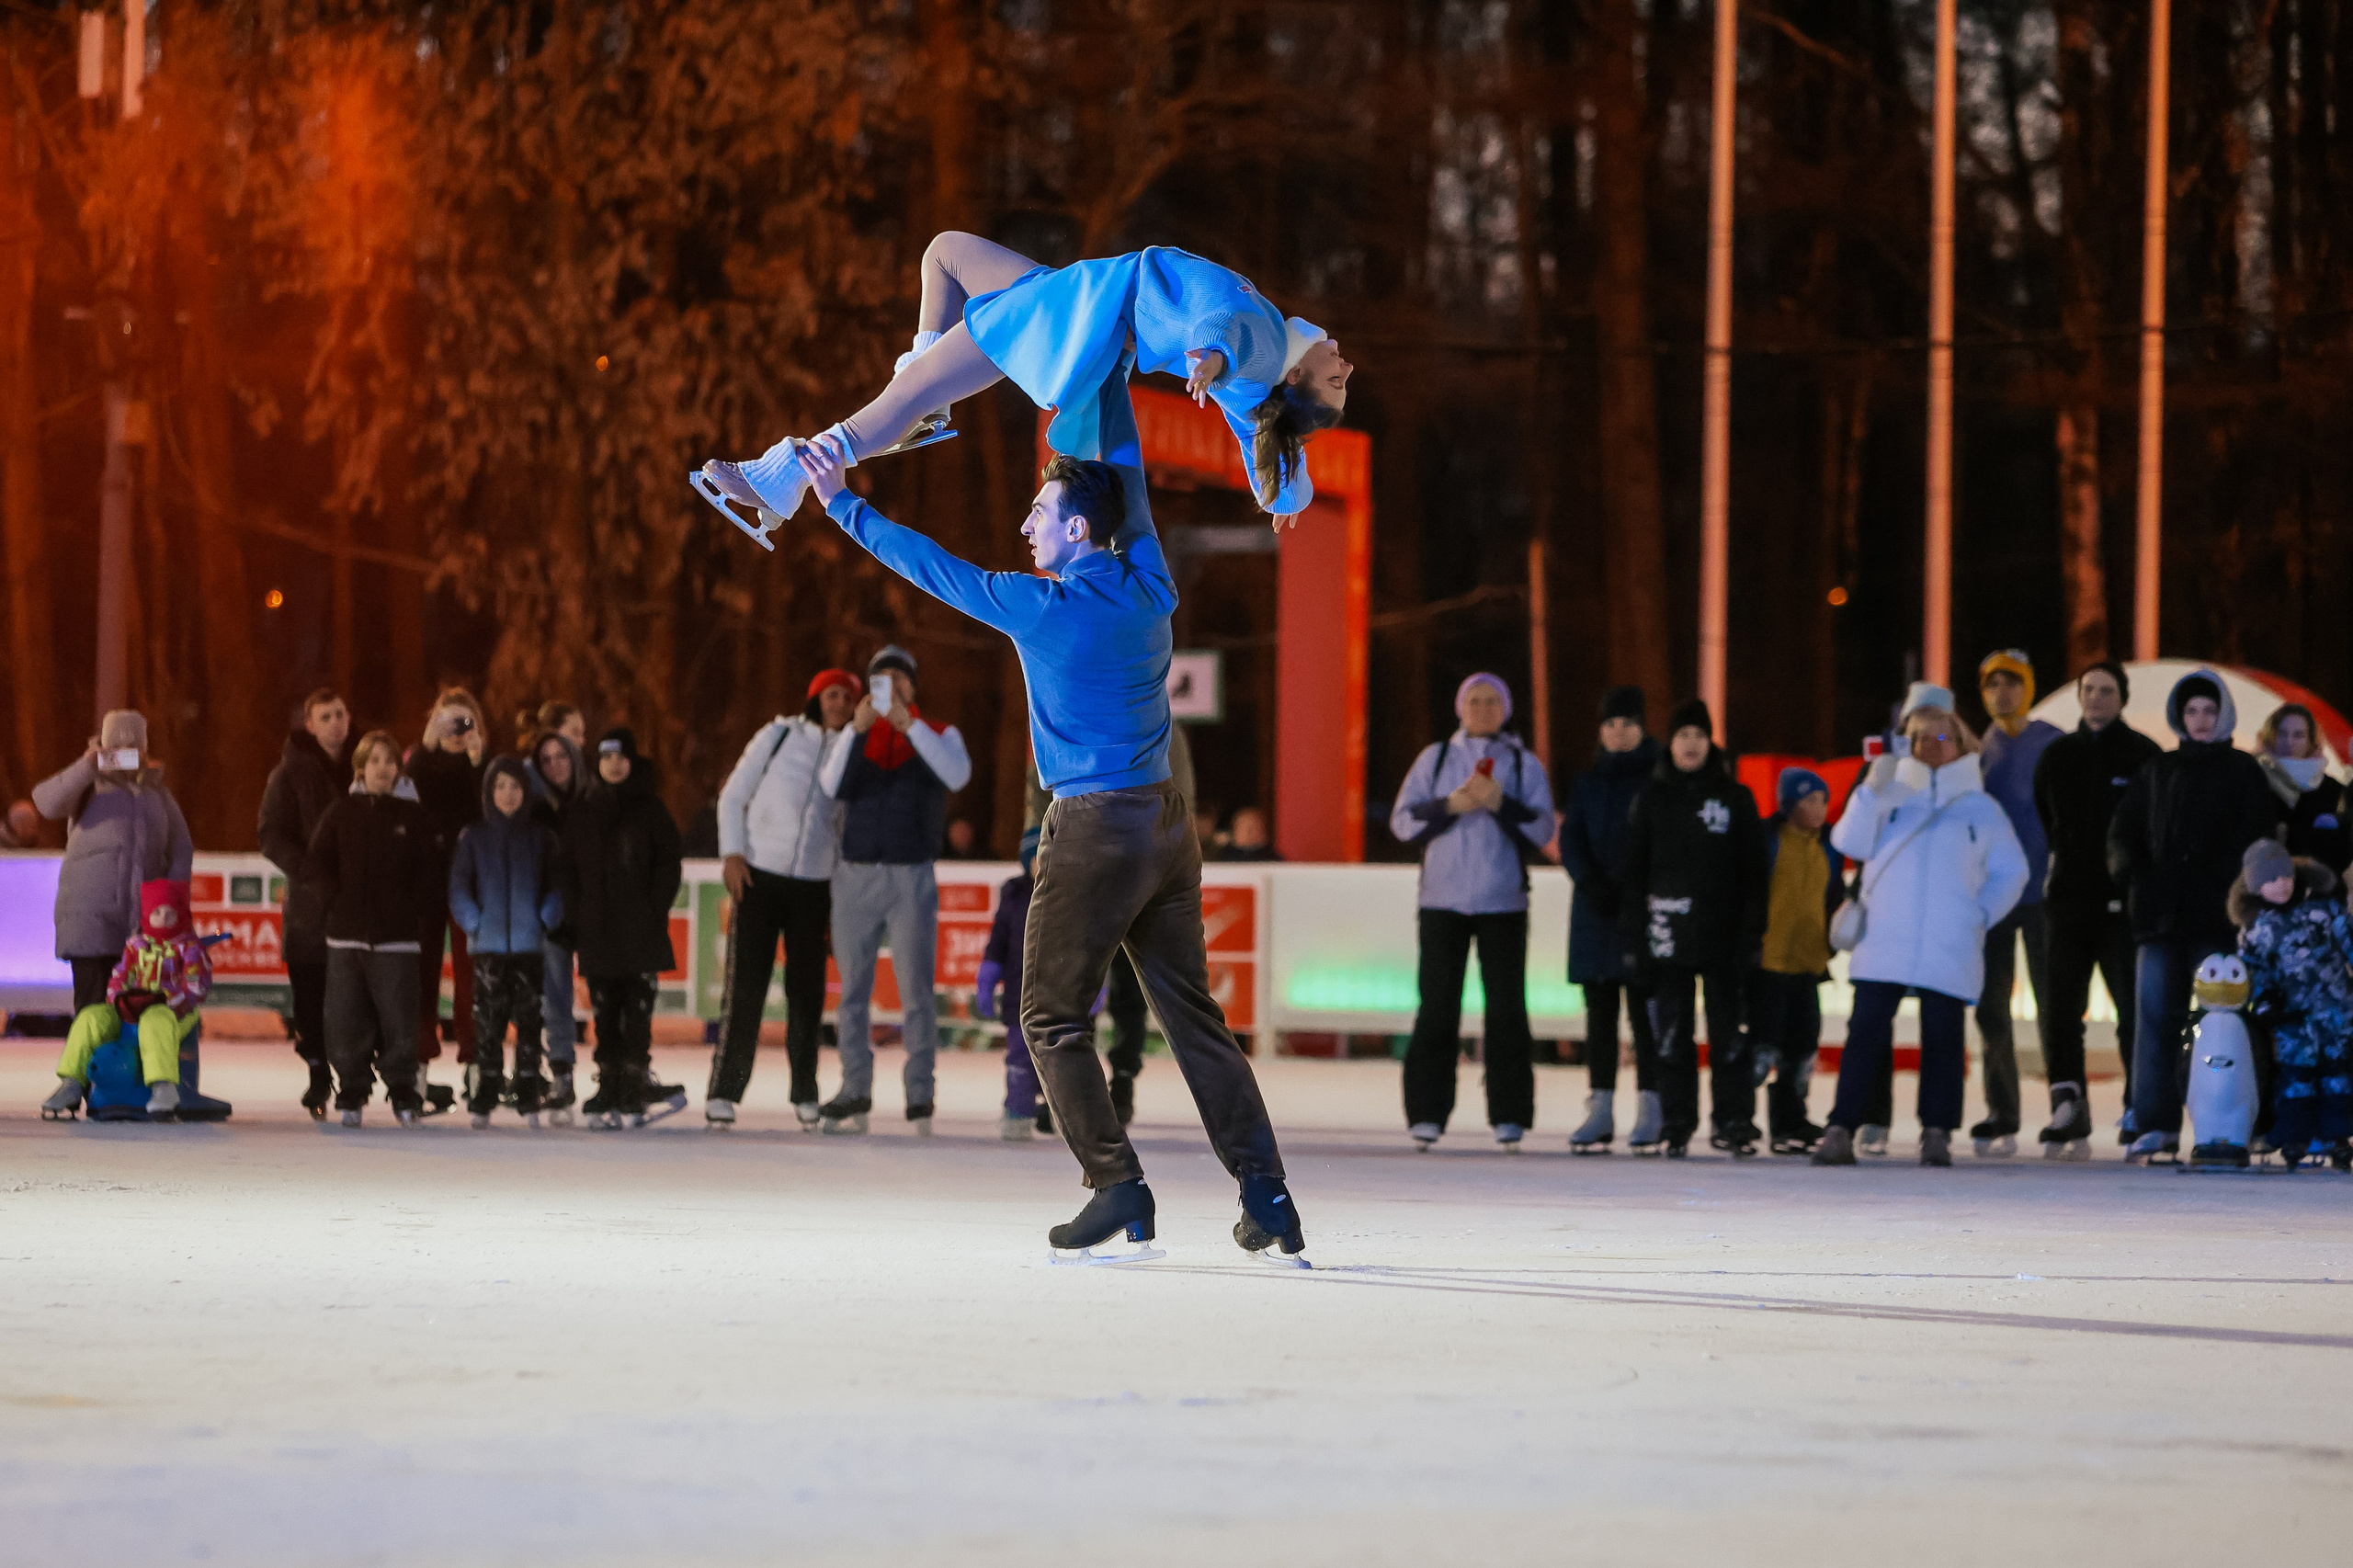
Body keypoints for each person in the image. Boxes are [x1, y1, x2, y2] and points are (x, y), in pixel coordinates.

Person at [798, 375, 1308, 1265]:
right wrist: (1102, 375)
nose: (1026, 524)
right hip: (1165, 824)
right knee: (1191, 1017)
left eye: (1041, 510)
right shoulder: (1150, 582)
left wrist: (841, 503)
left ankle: (1116, 1185)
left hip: (1093, 825)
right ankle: (1266, 1192)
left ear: (1076, 530)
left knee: (1047, 1015)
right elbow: (1129, 476)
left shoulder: (1044, 605)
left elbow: (931, 566)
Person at [702, 233, 1352, 534]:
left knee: (906, 394)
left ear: (1297, 375)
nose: (1345, 366)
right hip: (1079, 294)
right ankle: (924, 392)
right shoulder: (1261, 390)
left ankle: (783, 476)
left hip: (1082, 317)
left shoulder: (1264, 342)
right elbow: (1270, 457)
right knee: (943, 254)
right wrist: (1283, 498)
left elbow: (1224, 319)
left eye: (1335, 380)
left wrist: (1206, 355)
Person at [1814, 686, 2029, 1167]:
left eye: (1940, 736)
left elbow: (2012, 871)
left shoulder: (1980, 808)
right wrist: (1871, 791)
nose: (1929, 746)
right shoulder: (1887, 796)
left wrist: (1979, 914)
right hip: (1886, 936)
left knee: (1943, 1035)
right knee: (1866, 1030)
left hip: (1948, 942)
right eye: (1917, 737)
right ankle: (1842, 1125)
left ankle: (1936, 1131)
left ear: (1960, 743)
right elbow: (1849, 840)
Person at [2107, 669, 2282, 1162]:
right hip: (2159, 919)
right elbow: (2124, 831)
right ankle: (2155, 1121)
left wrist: (2237, 893)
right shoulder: (2157, 771)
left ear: (2222, 715)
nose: (2201, 720)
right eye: (2192, 711)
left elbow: (2258, 839)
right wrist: (2135, 875)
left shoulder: (2244, 772)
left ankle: (2231, 1120)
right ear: (2179, 717)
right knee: (2155, 1020)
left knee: (2224, 1022)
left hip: (2216, 921)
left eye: (2209, 711)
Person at [1388, 673, 1558, 1153]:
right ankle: (1426, 1113)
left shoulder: (1523, 764)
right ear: (1459, 707)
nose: (1482, 708)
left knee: (1506, 1010)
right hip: (1441, 901)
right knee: (1437, 1007)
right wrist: (1452, 804)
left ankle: (1510, 1115)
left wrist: (1500, 803)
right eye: (1474, 700)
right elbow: (1403, 822)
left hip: (1504, 902)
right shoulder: (1436, 758)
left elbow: (1544, 827)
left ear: (1505, 709)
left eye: (1491, 701)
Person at [813, 647, 972, 1135]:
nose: (891, 687)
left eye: (900, 679)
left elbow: (956, 775)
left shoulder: (938, 734)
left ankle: (919, 1094)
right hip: (856, 874)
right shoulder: (854, 738)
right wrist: (856, 732)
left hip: (910, 876)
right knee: (852, 994)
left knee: (916, 993)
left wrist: (910, 726)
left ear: (913, 687)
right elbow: (830, 784)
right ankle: (854, 1087)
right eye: (881, 680)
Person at [707, 669, 858, 1131]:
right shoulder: (778, 735)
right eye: (831, 694)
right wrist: (733, 852)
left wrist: (838, 885)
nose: (838, 703)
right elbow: (733, 796)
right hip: (759, 876)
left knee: (808, 993)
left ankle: (806, 1091)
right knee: (745, 988)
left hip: (814, 886)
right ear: (814, 697)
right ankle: (725, 1091)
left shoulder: (850, 750)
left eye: (847, 698)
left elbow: (844, 825)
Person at [1619, 699, 1765, 1157]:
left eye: (1699, 735)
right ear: (1671, 742)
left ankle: (1734, 1120)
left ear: (1710, 742)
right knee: (1671, 1037)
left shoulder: (1735, 799)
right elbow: (1634, 874)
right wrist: (1636, 942)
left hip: (1724, 940)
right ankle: (1677, 1121)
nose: (1691, 744)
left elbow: (1755, 874)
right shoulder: (1652, 799)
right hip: (1667, 937)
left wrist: (1750, 937)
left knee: (1729, 1037)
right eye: (1683, 735)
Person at [2031, 660, 2162, 1156]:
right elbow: (2049, 820)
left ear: (2122, 698)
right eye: (2089, 689)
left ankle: (2138, 1104)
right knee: (2061, 1009)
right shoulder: (2058, 756)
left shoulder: (2144, 757)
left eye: (2106, 691)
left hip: (2124, 907)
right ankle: (2068, 1102)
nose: (2096, 699)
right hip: (2067, 903)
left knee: (2134, 1012)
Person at [309, 731, 437, 1127]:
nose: (383, 768)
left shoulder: (414, 818)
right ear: (360, 768)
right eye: (375, 760)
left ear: (399, 768)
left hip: (397, 940)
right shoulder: (340, 812)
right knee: (345, 1019)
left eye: (389, 760)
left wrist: (412, 911)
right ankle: (352, 1086)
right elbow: (317, 866)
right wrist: (334, 902)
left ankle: (402, 1087)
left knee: (400, 1019)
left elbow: (430, 876)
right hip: (346, 938)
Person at [1560, 686, 1664, 1154]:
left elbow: (1662, 841)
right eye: (1611, 724)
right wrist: (1590, 882)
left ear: (1642, 728)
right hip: (1595, 911)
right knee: (1599, 1014)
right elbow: (1571, 840)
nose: (1619, 732)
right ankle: (1599, 1108)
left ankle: (1651, 1106)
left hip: (1641, 909)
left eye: (1627, 723)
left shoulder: (1659, 780)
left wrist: (1634, 887)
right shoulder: (1587, 782)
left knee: (1647, 1013)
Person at [31, 711, 194, 1011]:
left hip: (144, 928)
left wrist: (169, 900)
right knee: (93, 1015)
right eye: (116, 750)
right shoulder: (87, 785)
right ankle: (90, 1060)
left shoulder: (157, 792)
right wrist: (87, 766)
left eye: (134, 749)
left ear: (145, 750)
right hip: (90, 921)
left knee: (139, 1013)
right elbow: (45, 802)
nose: (125, 757)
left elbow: (181, 848)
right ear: (103, 747)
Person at [563, 727, 684, 1129]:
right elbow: (568, 871)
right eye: (606, 757)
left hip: (640, 932)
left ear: (633, 761)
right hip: (597, 930)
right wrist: (576, 917)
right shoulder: (583, 810)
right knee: (604, 1009)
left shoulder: (651, 809)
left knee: (636, 1011)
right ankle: (609, 1081)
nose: (614, 764)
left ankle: (634, 1080)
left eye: (621, 756)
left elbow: (668, 863)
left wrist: (653, 909)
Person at [1969, 651, 2063, 1156]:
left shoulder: (2052, 742)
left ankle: (2068, 1109)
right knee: (1992, 1010)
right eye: (1991, 686)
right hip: (1994, 898)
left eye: (2011, 683)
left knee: (2054, 1009)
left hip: (2045, 895)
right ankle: (2001, 1111)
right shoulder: (1975, 751)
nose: (2001, 693)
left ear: (2028, 687)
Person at [448, 756, 565, 1127]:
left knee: (529, 1022)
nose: (508, 793)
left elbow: (555, 886)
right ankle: (487, 1090)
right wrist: (474, 923)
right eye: (500, 786)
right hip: (488, 951)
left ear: (525, 791)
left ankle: (528, 1090)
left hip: (530, 949)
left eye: (515, 786)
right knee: (489, 1023)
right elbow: (459, 885)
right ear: (489, 792)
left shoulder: (540, 838)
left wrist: (545, 918)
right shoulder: (474, 837)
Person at [40, 879, 211, 1122]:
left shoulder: (189, 948)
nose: (162, 919)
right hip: (131, 1008)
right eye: (156, 912)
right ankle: (71, 1083)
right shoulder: (136, 945)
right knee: (90, 1017)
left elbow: (195, 987)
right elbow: (119, 978)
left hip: (174, 1011)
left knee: (155, 1020)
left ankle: (163, 1086)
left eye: (170, 913)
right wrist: (120, 1001)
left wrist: (165, 1001)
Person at [2229, 837, 2353, 1169]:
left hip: (2334, 1011)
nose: (2280, 885)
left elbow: (2348, 939)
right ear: (2256, 887)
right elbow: (2254, 971)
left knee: (2336, 1074)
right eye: (2270, 880)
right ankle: (2295, 1134)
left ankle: (2336, 1135)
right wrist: (2265, 1001)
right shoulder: (2258, 929)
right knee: (2296, 1076)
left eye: (2285, 877)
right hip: (2292, 1018)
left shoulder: (2323, 911)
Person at [256, 687, 351, 1118]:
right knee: (310, 996)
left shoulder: (366, 763)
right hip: (311, 907)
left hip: (358, 903)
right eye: (326, 716)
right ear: (310, 725)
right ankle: (317, 1074)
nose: (336, 722)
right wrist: (311, 872)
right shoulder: (290, 772)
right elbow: (271, 834)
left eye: (340, 713)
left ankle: (353, 1074)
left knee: (351, 995)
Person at [1749, 767, 1844, 1154]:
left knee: (1802, 1050)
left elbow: (1833, 898)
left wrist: (1831, 941)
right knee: (1762, 1049)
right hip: (1769, 963)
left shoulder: (1829, 848)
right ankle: (1738, 1116)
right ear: (1788, 804)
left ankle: (1789, 1122)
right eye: (1809, 800)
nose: (1818, 808)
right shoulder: (1767, 841)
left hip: (1808, 964)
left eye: (1822, 799)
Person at [408, 688, 488, 1099]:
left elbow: (490, 810)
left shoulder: (484, 769)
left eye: (465, 722)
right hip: (426, 881)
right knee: (422, 972)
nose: (457, 731)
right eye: (449, 722)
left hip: (470, 882)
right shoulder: (420, 766)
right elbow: (409, 794)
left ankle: (475, 1064)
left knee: (471, 973)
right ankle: (419, 1063)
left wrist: (477, 761)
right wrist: (426, 742)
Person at [527, 727, 591, 1120]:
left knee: (610, 993)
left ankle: (622, 1071)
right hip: (551, 915)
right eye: (545, 759)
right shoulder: (534, 811)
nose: (554, 765)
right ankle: (561, 1073)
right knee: (554, 995)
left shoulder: (592, 802)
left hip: (592, 912)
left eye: (561, 756)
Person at [2256, 702, 2349, 874]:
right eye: (2282, 734)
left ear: (2311, 740)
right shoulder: (2253, 781)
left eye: (2298, 735)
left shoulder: (2333, 790)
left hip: (2318, 890)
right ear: (2271, 736)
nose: (2289, 742)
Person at [1216, 807, 1284, 862]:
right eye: (1244, 827)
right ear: (1235, 830)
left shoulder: (1273, 859)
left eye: (1254, 827)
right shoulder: (1221, 857)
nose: (1249, 832)